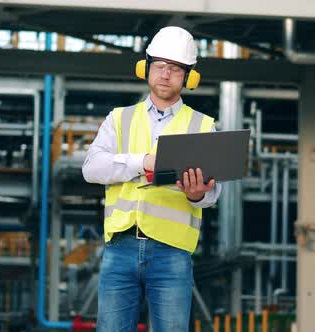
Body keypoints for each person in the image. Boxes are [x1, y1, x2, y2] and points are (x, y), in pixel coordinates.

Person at [82, 26, 222, 332]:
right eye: (159, 65)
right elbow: (91, 168)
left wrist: (197, 194)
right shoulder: (119, 119)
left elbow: (214, 194)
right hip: (120, 247)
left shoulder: (202, 126)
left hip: (172, 252)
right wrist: (141, 161)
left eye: (175, 69)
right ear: (146, 69)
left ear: (189, 77)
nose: (165, 74)